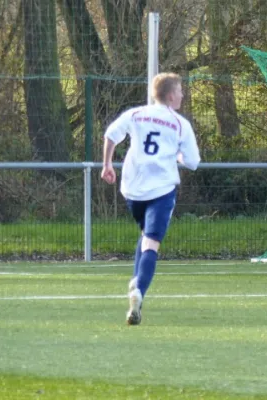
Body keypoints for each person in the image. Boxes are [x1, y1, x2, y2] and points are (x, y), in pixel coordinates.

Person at [101, 72, 200, 325]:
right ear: (170, 95)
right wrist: (177, 155)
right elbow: (193, 162)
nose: (182, 95)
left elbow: (111, 134)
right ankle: (138, 290)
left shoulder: (135, 114)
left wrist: (107, 165)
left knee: (145, 236)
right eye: (179, 91)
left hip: (132, 189)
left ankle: (136, 287)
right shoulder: (179, 124)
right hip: (161, 189)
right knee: (152, 243)